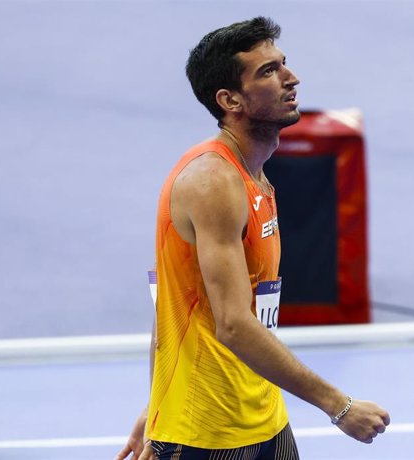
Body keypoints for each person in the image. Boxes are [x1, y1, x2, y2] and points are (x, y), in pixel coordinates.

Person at [115, 17, 390, 460]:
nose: (291, 77)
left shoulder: (253, 173)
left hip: (265, 419)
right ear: (230, 100)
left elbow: (177, 299)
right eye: (267, 71)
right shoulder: (213, 183)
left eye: (283, 64)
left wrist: (155, 403)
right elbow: (232, 323)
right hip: (204, 436)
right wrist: (338, 406)